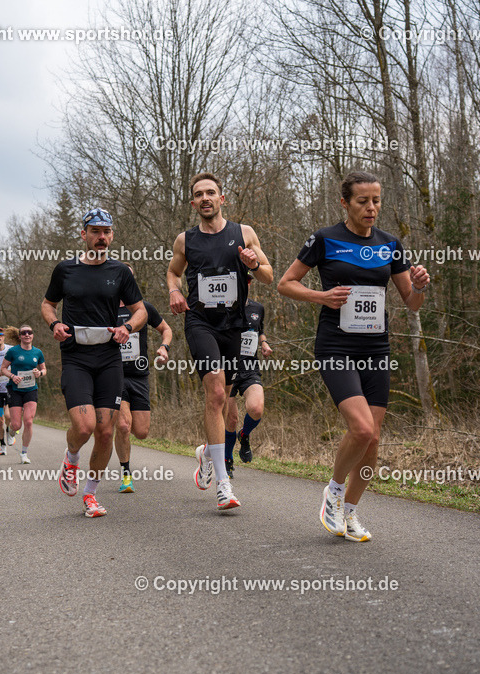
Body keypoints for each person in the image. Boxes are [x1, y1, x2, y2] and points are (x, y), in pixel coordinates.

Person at [278, 170, 430, 541]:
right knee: (360, 429)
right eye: (363, 201)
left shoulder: (389, 244)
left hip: (376, 348)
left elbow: (411, 303)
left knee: (374, 438)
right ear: (345, 203)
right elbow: (285, 283)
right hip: (336, 346)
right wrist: (321, 297)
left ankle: (350, 512)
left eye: (376, 200)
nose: (371, 208)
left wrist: (422, 287)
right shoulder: (325, 239)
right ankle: (333, 490)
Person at [167, 172, 273, 511]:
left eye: (211, 192)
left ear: (222, 198)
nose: (205, 198)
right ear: (193, 202)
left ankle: (206, 453)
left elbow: (270, 275)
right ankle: (223, 485)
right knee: (215, 392)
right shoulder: (185, 240)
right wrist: (174, 290)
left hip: (236, 325)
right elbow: (173, 271)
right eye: (199, 194)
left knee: (227, 393)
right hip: (201, 323)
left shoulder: (243, 233)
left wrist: (254, 264)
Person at [42, 208, 146, 517]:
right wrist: (54, 324)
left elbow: (140, 310)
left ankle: (90, 495)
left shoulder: (120, 272)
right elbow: (48, 304)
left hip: (109, 358)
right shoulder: (65, 270)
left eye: (107, 232)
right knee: (85, 427)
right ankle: (71, 458)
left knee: (105, 432)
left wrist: (127, 327)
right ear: (84, 234)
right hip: (76, 358)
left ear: (112, 235)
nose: (102, 237)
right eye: (95, 231)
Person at [114, 265, 172, 493]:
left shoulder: (144, 309)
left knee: (141, 431)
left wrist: (164, 348)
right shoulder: (104, 309)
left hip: (139, 376)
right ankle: (126, 474)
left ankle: (124, 456)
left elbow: (166, 329)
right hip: (114, 376)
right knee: (123, 426)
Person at [224, 290, 271, 478]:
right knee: (231, 419)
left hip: (250, 367)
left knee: (256, 408)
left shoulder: (257, 308)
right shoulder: (223, 306)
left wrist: (264, 343)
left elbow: (260, 330)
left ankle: (244, 435)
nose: (247, 284)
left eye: (249, 280)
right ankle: (227, 460)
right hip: (226, 367)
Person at [0, 325, 47, 464]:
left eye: (29, 332)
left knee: (29, 421)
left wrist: (40, 373)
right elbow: (3, 369)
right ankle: (10, 431)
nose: (27, 335)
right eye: (24, 333)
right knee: (16, 425)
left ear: (33, 335)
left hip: (31, 389)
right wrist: (12, 376)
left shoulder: (38, 352)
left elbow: (44, 369)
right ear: (19, 336)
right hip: (15, 390)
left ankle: (24, 453)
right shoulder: (13, 351)